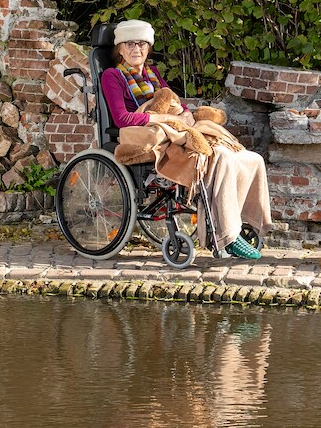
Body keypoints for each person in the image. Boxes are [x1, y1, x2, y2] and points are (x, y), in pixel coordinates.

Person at [100, 19, 272, 259]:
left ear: (148, 47)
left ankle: (246, 222)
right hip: (148, 136)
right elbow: (121, 118)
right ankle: (227, 236)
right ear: (119, 48)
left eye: (141, 43)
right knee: (219, 157)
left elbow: (175, 103)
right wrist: (161, 117)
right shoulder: (112, 76)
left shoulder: (152, 73)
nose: (135, 49)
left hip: (172, 128)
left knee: (247, 158)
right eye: (129, 44)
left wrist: (185, 115)